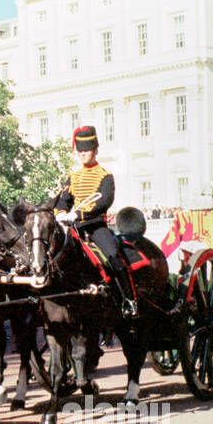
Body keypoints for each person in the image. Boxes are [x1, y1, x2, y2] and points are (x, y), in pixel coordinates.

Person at [54, 125, 137, 316]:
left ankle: (128, 299)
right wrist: (60, 213)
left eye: (86, 150)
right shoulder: (73, 178)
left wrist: (79, 215)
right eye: (80, 151)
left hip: (95, 226)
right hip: (75, 228)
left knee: (112, 255)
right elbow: (63, 200)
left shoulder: (104, 176)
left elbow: (104, 201)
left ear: (95, 150)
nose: (83, 154)